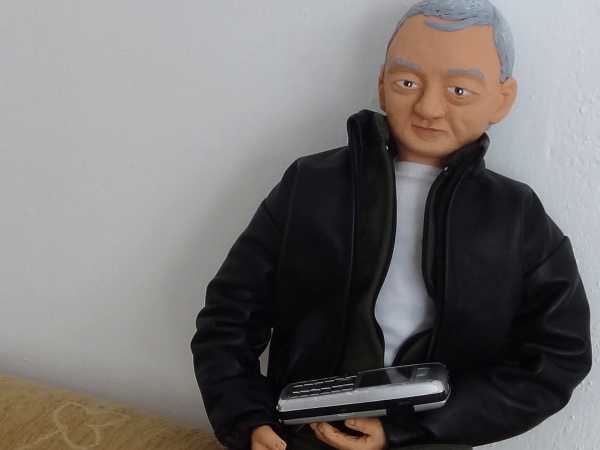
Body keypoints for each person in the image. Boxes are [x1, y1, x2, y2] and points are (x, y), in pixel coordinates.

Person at [191, 1, 592, 449]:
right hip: (302, 433)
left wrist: (413, 429)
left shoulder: (516, 217)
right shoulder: (311, 186)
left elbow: (558, 357)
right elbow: (230, 312)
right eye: (407, 82)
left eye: (459, 90)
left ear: (502, 99)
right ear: (382, 84)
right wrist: (246, 416)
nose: (429, 107)